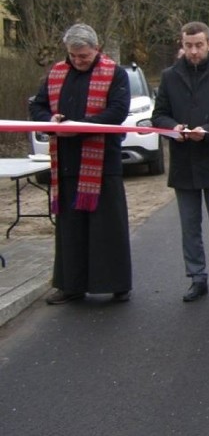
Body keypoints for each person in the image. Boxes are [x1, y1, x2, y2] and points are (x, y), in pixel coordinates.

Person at [29, 23, 132, 304]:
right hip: (65, 161)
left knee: (107, 227)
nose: (78, 61)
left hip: (103, 162)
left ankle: (116, 283)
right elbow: (37, 106)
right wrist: (49, 122)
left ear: (96, 49)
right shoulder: (56, 73)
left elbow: (117, 112)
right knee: (70, 229)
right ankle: (70, 286)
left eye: (83, 56)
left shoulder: (115, 73)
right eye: (73, 56)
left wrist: (79, 127)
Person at [152, 21, 209, 302]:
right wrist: (174, 128)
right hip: (183, 160)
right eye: (188, 45)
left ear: (208, 45)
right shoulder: (169, 76)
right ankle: (196, 276)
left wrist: (208, 130)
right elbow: (159, 116)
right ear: (182, 44)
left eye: (198, 45)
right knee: (189, 225)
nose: (193, 51)